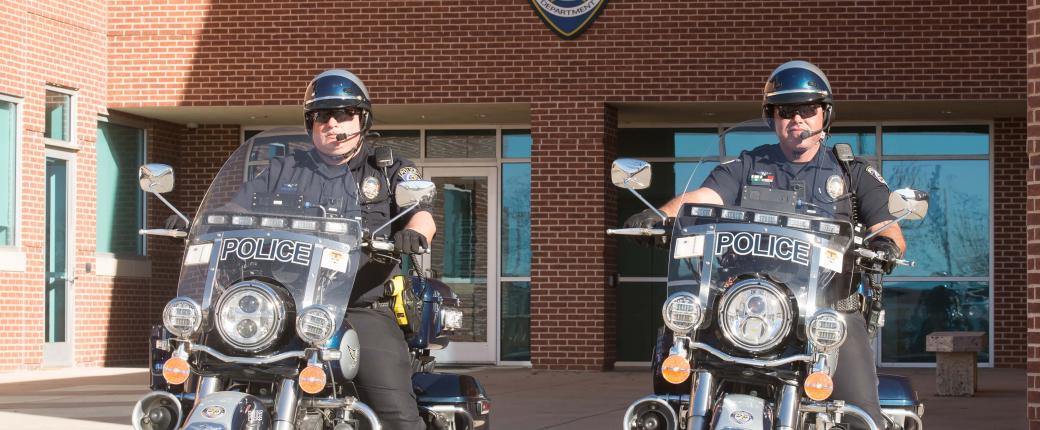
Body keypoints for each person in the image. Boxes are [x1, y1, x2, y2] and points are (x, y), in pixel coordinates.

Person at [625, 60, 905, 430]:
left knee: (861, 417)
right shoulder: (747, 165)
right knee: (672, 380)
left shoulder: (852, 174)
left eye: (807, 109)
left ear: (825, 114)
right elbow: (703, 198)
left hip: (826, 310)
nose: (796, 119)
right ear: (772, 117)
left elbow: (889, 228)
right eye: (785, 110)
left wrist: (886, 244)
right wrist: (659, 217)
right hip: (745, 306)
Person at [236, 69, 433, 430]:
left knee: (397, 415)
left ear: (362, 119)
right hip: (288, 306)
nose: (332, 123)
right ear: (311, 124)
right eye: (322, 116)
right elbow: (236, 211)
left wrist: (413, 234)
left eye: (343, 113)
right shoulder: (284, 168)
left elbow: (422, 216)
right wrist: (195, 225)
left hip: (361, 306)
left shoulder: (387, 169)